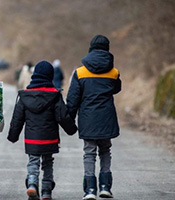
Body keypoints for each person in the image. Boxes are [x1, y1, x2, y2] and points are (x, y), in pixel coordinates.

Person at [8, 61, 78, 200]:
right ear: (50, 76)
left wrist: (13, 136)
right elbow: (62, 116)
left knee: (33, 161)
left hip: (32, 139)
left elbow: (17, 118)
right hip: (49, 138)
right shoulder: (54, 95)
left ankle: (32, 184)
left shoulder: (25, 96)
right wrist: (72, 129)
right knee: (48, 162)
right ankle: (46, 191)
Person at [66, 35, 121, 200]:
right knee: (105, 150)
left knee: (89, 153)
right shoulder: (114, 72)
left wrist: (69, 120)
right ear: (107, 49)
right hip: (106, 117)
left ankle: (90, 190)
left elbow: (73, 99)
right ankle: (105, 187)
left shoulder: (80, 72)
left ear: (90, 48)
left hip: (88, 118)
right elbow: (116, 89)